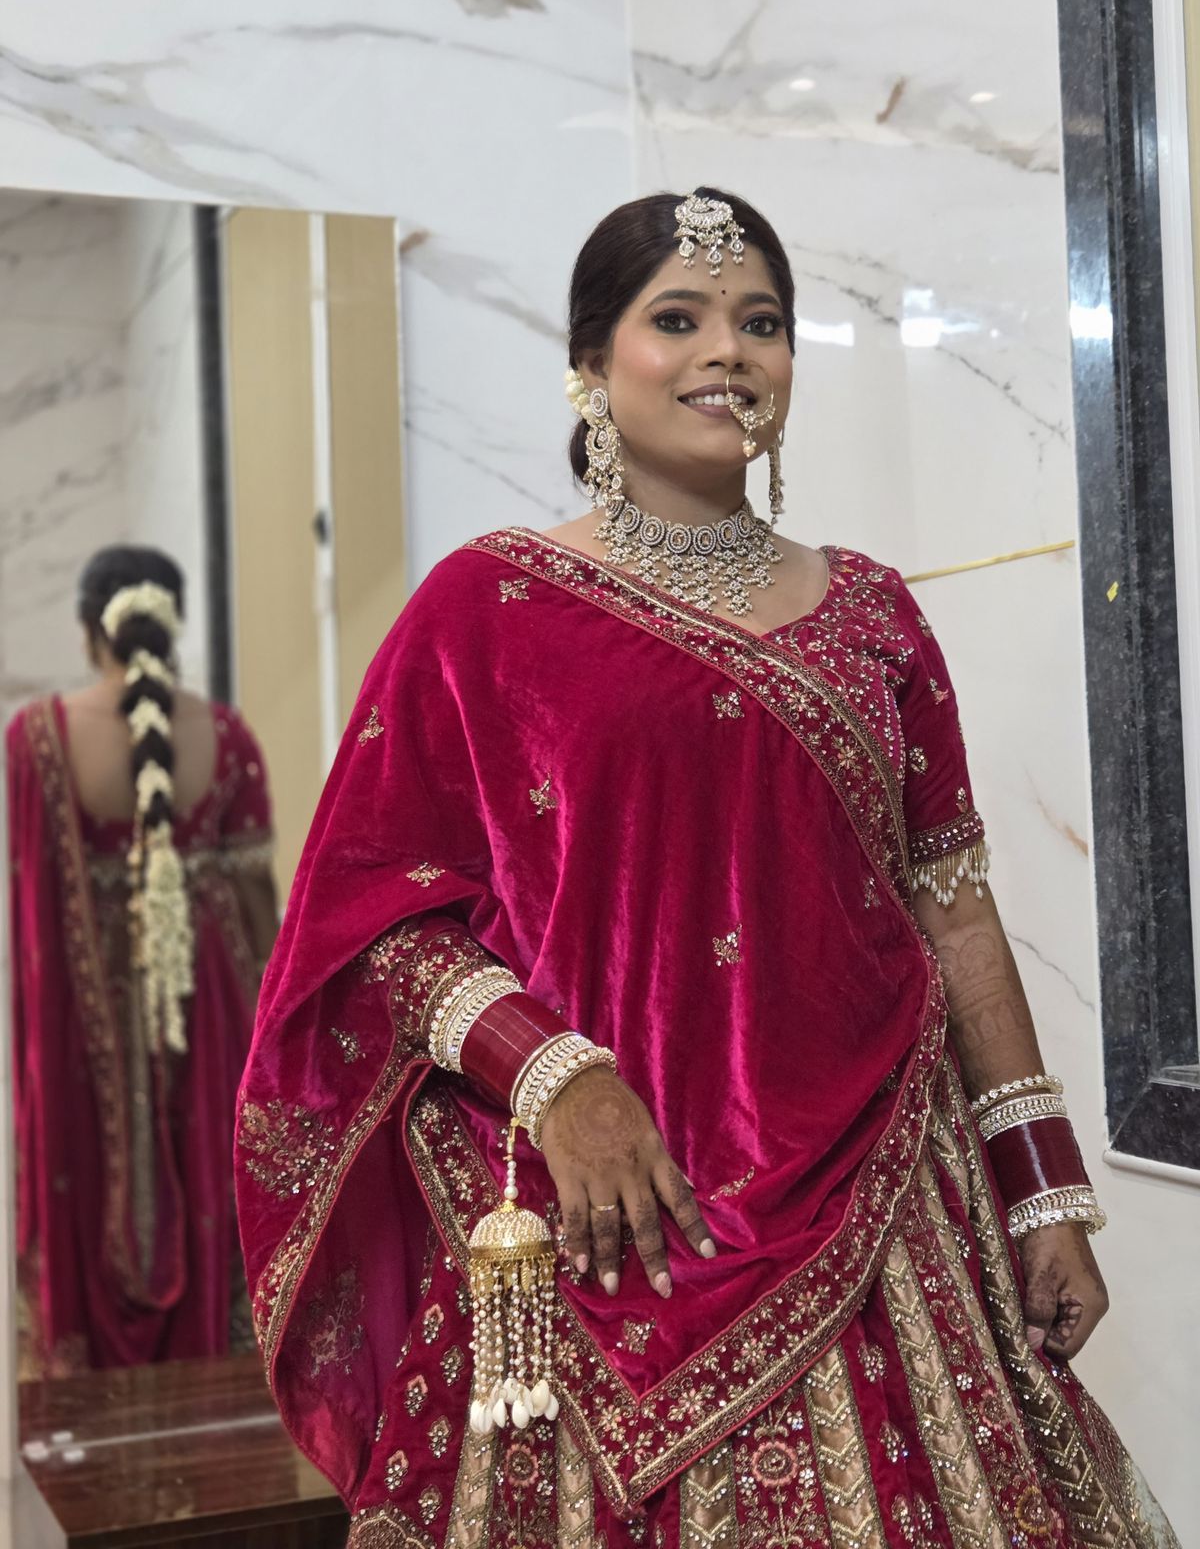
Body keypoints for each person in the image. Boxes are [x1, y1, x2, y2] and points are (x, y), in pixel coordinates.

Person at [236, 192, 1178, 1546]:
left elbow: (952, 905)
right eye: (675, 319)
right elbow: (378, 927)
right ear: (592, 362)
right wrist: (554, 1078)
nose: (724, 353)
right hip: (606, 1217)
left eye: (761, 324)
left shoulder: (876, 614)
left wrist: (1041, 1188)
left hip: (887, 1211)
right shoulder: (480, 612)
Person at [8, 545, 276, 1374]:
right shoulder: (227, 739)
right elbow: (262, 921)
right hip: (213, 1028)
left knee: (92, 1202)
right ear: (176, 623)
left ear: (92, 632)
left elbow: (28, 913)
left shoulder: (35, 742)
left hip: (81, 1059)